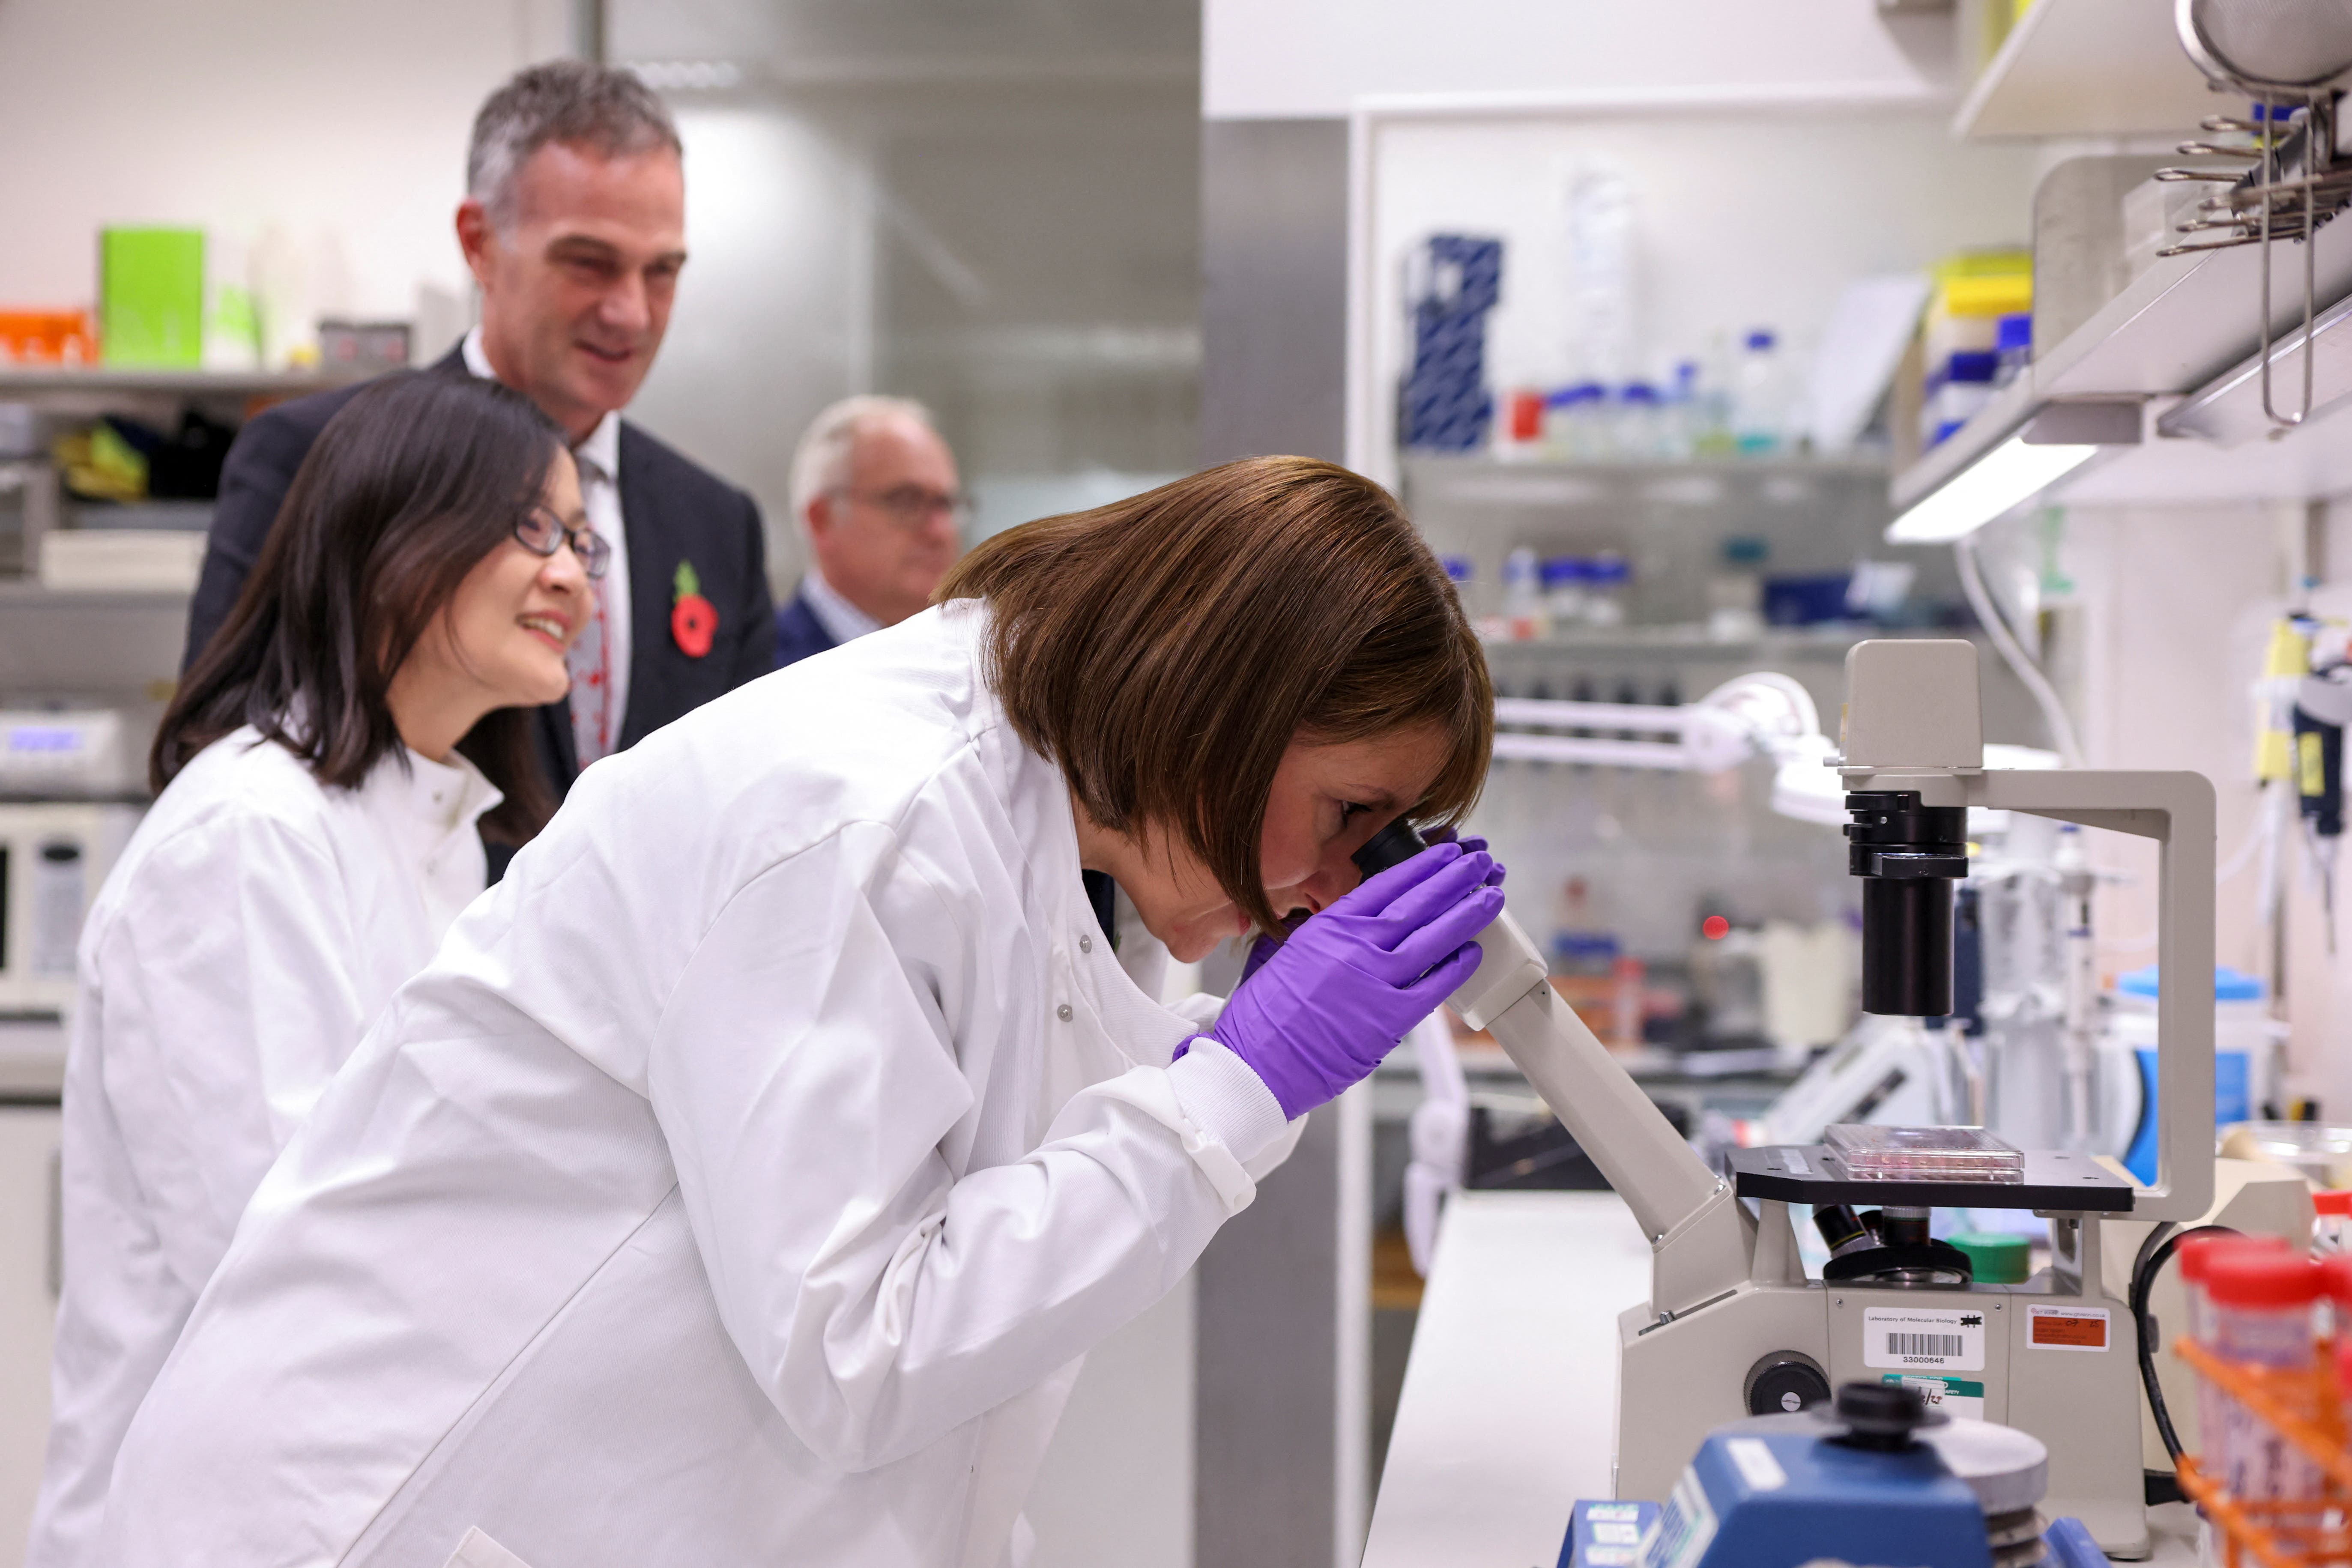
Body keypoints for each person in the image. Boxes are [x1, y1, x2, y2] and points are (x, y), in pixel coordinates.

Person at [96, 456, 1505, 1568]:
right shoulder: (859, 811)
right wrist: (1232, 1092)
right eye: (1346, 819)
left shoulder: (1067, 852)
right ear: (1216, 703)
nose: (1329, 891)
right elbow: (865, 1348)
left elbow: (976, 1345)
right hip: (379, 1506)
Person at [28, 371, 591, 1568]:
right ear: (398, 532)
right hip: (236, 1518)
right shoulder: (249, 833)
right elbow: (290, 1254)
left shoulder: (440, 835)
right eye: (533, 527)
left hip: (358, 1496)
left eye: (579, 537)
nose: (572, 576)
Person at [184, 59, 773, 809]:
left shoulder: (716, 525)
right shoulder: (322, 456)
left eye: (662, 271)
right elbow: (222, 751)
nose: (631, 312)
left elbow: (745, 796)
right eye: (589, 263)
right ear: (480, 242)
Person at [773, 394, 965, 667]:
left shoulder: (975, 667)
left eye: (945, 504)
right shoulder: (757, 673)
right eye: (906, 501)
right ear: (822, 519)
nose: (940, 532)